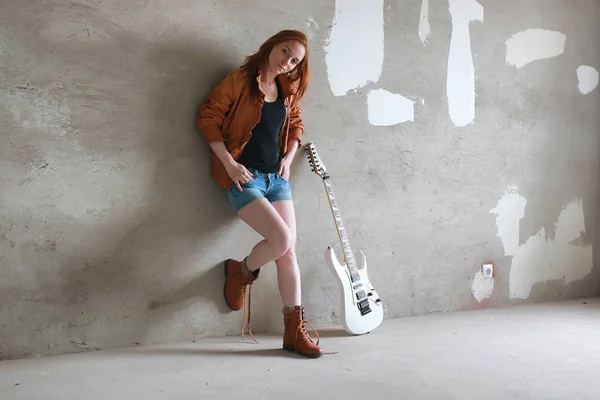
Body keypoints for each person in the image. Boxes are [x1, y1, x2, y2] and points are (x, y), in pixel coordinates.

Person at [196, 30, 323, 358]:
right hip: (245, 179)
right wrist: (229, 163)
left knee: (289, 252)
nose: (287, 62)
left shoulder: (286, 89)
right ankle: (239, 274)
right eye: (284, 52)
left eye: (294, 60)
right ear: (270, 45)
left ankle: (293, 332)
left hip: (277, 180)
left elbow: (296, 123)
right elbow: (207, 118)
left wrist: (288, 158)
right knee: (283, 240)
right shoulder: (238, 82)